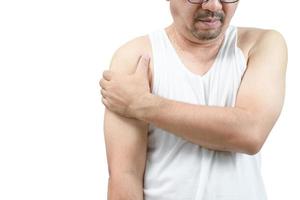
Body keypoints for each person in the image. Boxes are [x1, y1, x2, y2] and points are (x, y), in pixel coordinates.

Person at [99, 0, 287, 199]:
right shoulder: (134, 57)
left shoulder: (261, 44)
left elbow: (250, 133)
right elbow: (125, 176)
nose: (214, 6)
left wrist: (141, 105)